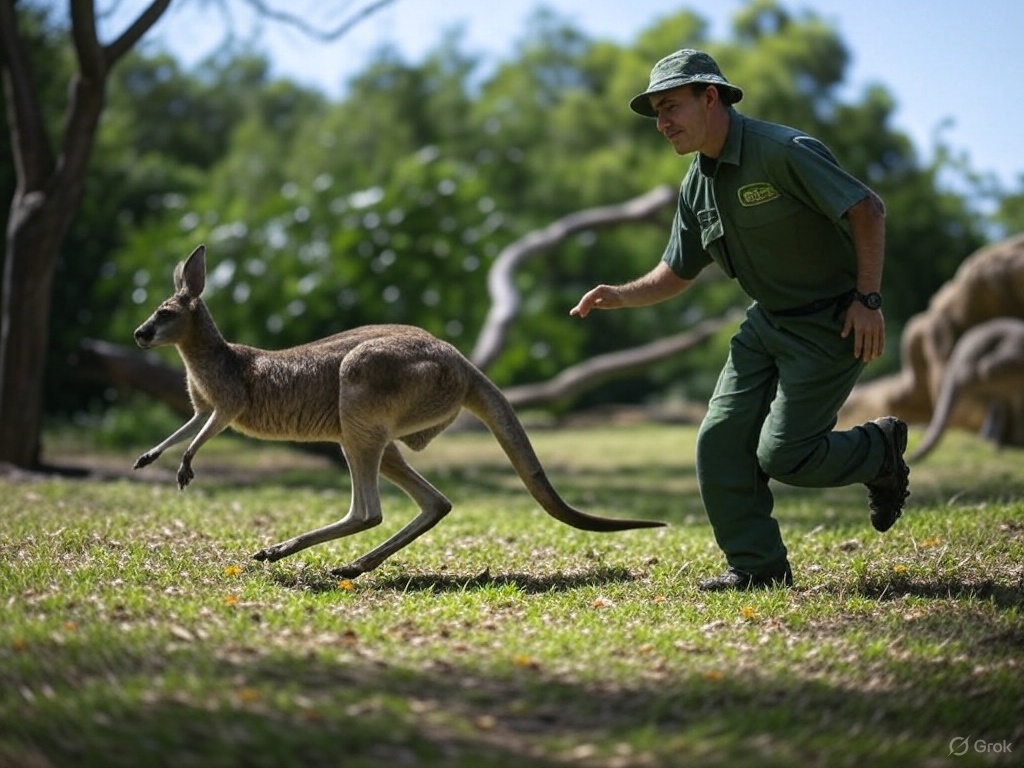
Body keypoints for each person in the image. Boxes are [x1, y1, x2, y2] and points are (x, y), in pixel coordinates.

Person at [570, 49, 910, 591]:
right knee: (720, 442)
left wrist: (867, 300)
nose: (662, 123)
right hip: (767, 324)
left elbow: (866, 208)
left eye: (671, 107)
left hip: (833, 321)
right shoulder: (696, 185)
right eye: (656, 112)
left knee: (786, 456)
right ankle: (757, 568)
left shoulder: (782, 151)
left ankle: (879, 451)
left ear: (711, 97)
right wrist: (619, 294)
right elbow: (675, 272)